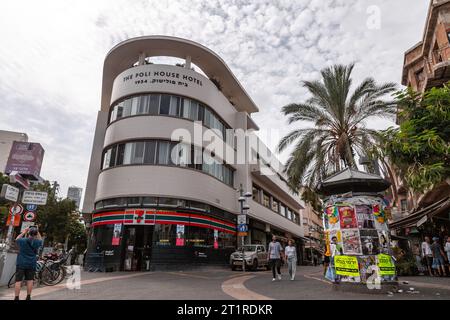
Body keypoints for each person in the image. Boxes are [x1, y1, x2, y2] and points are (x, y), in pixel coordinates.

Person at [14, 226, 43, 300]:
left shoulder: (22, 240)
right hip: (31, 263)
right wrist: (37, 231)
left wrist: (24, 231)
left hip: (21, 263)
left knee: (18, 281)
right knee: (30, 280)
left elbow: (17, 239)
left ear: (29, 233)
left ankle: (16, 297)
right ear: (36, 234)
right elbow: (40, 239)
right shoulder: (37, 242)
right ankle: (28, 297)